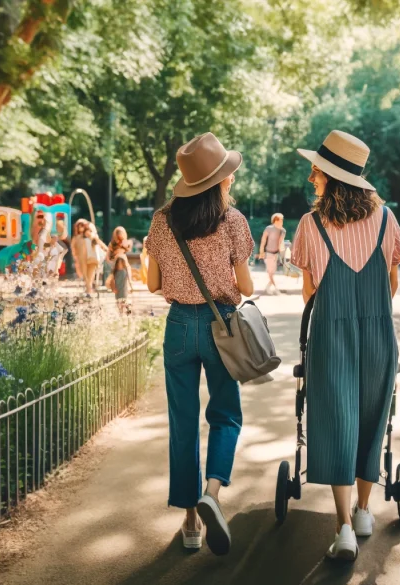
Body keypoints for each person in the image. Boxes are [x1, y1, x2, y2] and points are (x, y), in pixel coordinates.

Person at [291, 130, 400, 561]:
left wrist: (338, 313)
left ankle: (342, 528)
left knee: (337, 422)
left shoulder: (309, 225)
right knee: (372, 418)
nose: (311, 178)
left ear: (332, 178)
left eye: (316, 171)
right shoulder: (387, 219)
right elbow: (392, 283)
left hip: (329, 334)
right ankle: (363, 511)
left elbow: (309, 292)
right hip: (379, 333)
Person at [144, 132, 254, 556]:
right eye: (227, 175)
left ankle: (190, 520)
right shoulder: (233, 221)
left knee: (183, 421)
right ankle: (212, 492)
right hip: (220, 325)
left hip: (178, 328)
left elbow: (153, 283)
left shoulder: (161, 220)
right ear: (219, 181)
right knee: (225, 413)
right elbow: (243, 286)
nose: (231, 181)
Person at [257, 213, 286, 295]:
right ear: (276, 220)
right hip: (268, 253)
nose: (282, 221)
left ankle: (267, 288)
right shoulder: (269, 228)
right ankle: (276, 289)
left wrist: (283, 255)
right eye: (281, 220)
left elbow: (281, 243)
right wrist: (261, 252)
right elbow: (263, 241)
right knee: (270, 273)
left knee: (272, 273)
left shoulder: (282, 230)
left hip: (276, 254)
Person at [78, 224, 106, 295]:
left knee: (88, 276)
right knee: (88, 276)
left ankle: (88, 291)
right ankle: (89, 290)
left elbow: (103, 247)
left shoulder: (89, 239)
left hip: (90, 259)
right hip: (92, 260)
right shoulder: (93, 238)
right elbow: (104, 247)